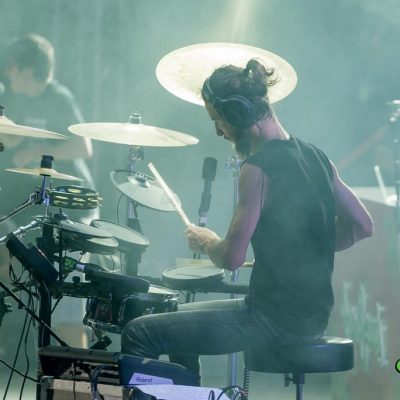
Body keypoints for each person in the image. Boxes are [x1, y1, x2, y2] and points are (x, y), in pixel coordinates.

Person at [121, 59, 374, 378]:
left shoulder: (257, 169)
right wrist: (306, 249)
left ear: (237, 114)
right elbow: (362, 226)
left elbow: (231, 258)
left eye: (217, 120)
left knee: (139, 332)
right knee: (174, 317)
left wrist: (207, 241)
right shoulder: (317, 157)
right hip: (313, 318)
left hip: (271, 319)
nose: (218, 131)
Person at [0, 33, 95, 348]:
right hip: (45, 210)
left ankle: (78, 372)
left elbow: (83, 147)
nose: (7, 73)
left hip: (74, 206)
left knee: (67, 307)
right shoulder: (19, 99)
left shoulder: (58, 97)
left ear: (28, 69)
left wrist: (35, 150)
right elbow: (13, 137)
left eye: (12, 67)